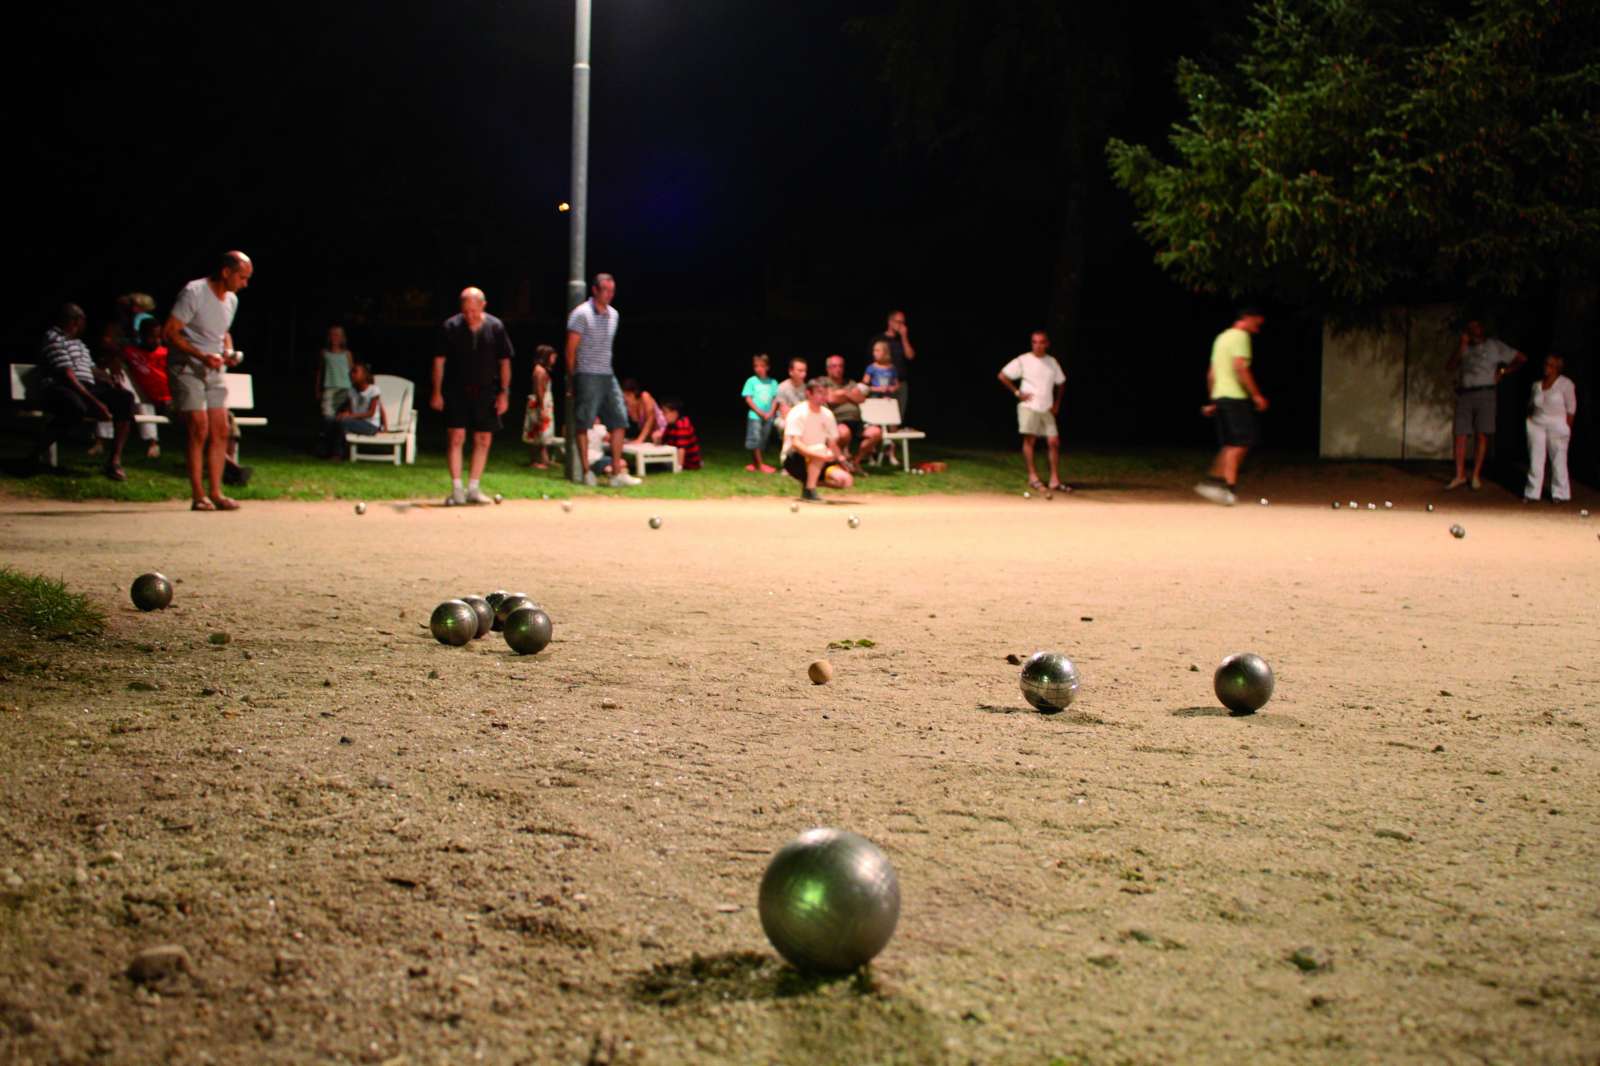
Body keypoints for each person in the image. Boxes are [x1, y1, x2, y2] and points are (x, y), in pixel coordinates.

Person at [163, 251, 252, 510]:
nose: (245, 283)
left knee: (221, 428)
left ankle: (216, 491)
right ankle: (198, 494)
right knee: (198, 427)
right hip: (187, 366)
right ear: (226, 272)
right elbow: (170, 332)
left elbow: (223, 333)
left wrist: (227, 352)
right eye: (242, 277)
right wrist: (201, 355)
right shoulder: (195, 292)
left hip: (214, 368)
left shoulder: (231, 300)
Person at [431, 286, 512, 505]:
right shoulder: (450, 327)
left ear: (483, 306)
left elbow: (505, 361)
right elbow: (439, 361)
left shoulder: (495, 327)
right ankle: (457, 488)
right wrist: (437, 392)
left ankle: (474, 488)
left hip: (486, 391)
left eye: (474, 311)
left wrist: (504, 393)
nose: (470, 315)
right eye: (465, 311)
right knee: (456, 437)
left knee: (483, 439)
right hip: (456, 390)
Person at [36, 303, 135, 479]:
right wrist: (95, 402)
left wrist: (109, 379)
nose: (84, 325)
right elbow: (67, 375)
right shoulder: (53, 337)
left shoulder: (79, 344)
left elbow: (92, 369)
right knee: (76, 407)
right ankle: (34, 457)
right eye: (82, 321)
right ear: (75, 320)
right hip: (61, 387)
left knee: (124, 398)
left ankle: (114, 462)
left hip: (85, 386)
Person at [565, 272, 641, 486]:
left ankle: (616, 472)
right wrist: (572, 380)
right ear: (595, 290)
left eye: (612, 291)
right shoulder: (581, 314)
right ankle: (587, 471)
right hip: (587, 374)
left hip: (607, 373)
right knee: (584, 423)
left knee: (619, 420)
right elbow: (571, 350)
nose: (609, 295)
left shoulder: (614, 315)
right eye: (605, 290)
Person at [1194, 307, 1268, 506]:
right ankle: (1227, 488)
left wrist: (1213, 399)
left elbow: (1211, 373)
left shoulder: (1221, 338)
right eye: (1257, 323)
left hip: (1221, 395)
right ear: (1246, 318)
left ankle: (1213, 483)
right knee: (1241, 443)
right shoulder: (1240, 337)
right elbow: (1240, 367)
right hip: (1235, 397)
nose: (1257, 328)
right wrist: (1256, 395)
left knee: (1230, 443)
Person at [1444, 319, 1527, 490]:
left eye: (1476, 326)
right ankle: (1459, 475)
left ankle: (1475, 475)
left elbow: (1521, 358)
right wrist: (1461, 347)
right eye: (1470, 327)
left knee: (1482, 433)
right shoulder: (1464, 347)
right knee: (1460, 433)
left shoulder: (1494, 345)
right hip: (1465, 392)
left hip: (1486, 392)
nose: (1473, 330)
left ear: (1482, 328)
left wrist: (1503, 371)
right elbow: (1450, 366)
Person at [997, 330, 1067, 491]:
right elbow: (1002, 375)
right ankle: (1033, 476)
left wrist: (1057, 403)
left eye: (1041, 342)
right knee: (1030, 440)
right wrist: (1017, 393)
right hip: (1029, 406)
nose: (1038, 345)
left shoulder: (1052, 362)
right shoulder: (1023, 360)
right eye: (1035, 342)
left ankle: (1054, 479)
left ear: (1047, 344)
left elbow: (1061, 383)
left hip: (1047, 407)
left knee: (1053, 442)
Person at [782, 378, 854, 501]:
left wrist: (842, 459)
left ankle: (810, 483)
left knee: (845, 481)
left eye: (826, 393)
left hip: (819, 459)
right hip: (795, 459)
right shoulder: (798, 412)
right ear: (808, 393)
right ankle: (810, 490)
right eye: (820, 392)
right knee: (820, 449)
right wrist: (819, 455)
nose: (824, 396)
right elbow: (795, 443)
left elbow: (832, 443)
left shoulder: (827, 414)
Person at [1524, 353, 1577, 503]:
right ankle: (1532, 493)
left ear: (1558, 368)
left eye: (1551, 365)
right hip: (1537, 424)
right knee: (1536, 459)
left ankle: (1560, 494)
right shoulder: (1537, 385)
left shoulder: (1566, 384)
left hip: (1557, 424)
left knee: (1558, 459)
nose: (1547, 368)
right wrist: (1529, 420)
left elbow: (1571, 408)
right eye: (1546, 364)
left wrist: (1567, 427)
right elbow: (1530, 405)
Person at [813, 354, 881, 469]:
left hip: (857, 421)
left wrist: (843, 393)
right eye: (834, 366)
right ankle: (838, 462)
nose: (838, 369)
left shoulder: (850, 382)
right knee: (844, 433)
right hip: (838, 421)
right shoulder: (823, 382)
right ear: (828, 368)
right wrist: (850, 394)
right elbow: (830, 398)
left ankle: (856, 461)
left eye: (840, 366)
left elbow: (861, 399)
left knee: (876, 432)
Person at [117, 317, 170, 459]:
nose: (156, 340)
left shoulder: (165, 353)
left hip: (168, 399)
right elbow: (115, 357)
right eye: (152, 336)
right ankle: (153, 444)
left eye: (159, 336)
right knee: (141, 403)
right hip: (146, 396)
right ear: (141, 335)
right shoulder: (131, 352)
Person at [320, 362, 385, 459]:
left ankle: (337, 454)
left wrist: (349, 416)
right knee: (331, 420)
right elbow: (351, 410)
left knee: (343, 423)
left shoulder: (374, 390)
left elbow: (371, 413)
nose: (351, 374)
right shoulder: (351, 391)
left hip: (370, 426)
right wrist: (344, 414)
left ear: (364, 375)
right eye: (351, 372)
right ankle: (325, 450)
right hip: (355, 422)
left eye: (355, 372)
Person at [871, 309, 916, 421]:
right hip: (883, 383)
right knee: (883, 416)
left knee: (898, 416)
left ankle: (894, 437)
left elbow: (910, 356)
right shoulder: (879, 339)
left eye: (903, 322)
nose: (901, 325)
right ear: (890, 322)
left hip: (900, 383)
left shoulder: (902, 340)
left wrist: (904, 337)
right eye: (898, 322)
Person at [740, 352, 780, 473]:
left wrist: (771, 412)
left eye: (762, 366)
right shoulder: (751, 381)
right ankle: (760, 465)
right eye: (756, 366)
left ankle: (756, 463)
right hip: (755, 416)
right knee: (755, 439)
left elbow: (775, 399)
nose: (759, 369)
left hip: (768, 416)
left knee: (763, 439)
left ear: (767, 367)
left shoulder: (773, 382)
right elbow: (748, 398)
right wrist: (760, 412)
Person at [523, 344, 559, 468]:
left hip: (544, 402)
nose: (554, 360)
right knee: (537, 431)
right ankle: (535, 461)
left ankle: (545, 459)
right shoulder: (539, 371)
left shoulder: (541, 370)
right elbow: (539, 389)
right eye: (553, 357)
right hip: (540, 402)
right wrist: (542, 406)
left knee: (541, 432)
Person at [315, 324, 354, 423]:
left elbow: (352, 372)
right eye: (332, 335)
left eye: (337, 335)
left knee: (344, 415)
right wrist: (317, 389)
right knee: (328, 415)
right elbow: (320, 371)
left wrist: (354, 390)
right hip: (330, 388)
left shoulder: (347, 354)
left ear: (342, 338)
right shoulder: (325, 353)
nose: (335, 338)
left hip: (345, 388)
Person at [659, 397, 703, 470]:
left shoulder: (682, 425)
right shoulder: (670, 425)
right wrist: (657, 438)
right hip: (674, 458)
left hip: (688, 463)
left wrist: (679, 467)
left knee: (658, 464)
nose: (663, 415)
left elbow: (681, 448)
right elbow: (663, 441)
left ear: (675, 412)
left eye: (665, 412)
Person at [621, 378, 666, 445]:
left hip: (663, 431)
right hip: (649, 436)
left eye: (626, 395)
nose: (624, 398)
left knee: (655, 436)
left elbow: (650, 420)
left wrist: (640, 439)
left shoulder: (645, 396)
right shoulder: (629, 405)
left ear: (632, 393)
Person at [773, 356, 809, 437]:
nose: (803, 374)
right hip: (786, 418)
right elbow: (784, 412)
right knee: (784, 424)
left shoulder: (807, 389)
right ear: (791, 371)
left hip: (803, 418)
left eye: (805, 371)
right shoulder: (782, 387)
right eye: (800, 371)